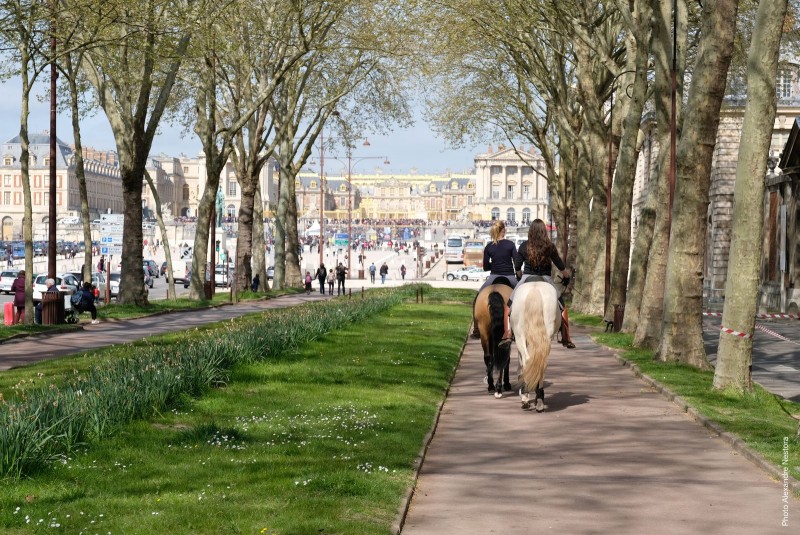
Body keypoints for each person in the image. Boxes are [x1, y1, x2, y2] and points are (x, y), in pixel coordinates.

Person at [500, 219, 574, 349]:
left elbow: (517, 265)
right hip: (546, 279)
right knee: (562, 306)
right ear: (543, 231)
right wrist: (566, 276)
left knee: (509, 305)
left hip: (527, 277)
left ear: (531, 231)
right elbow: (560, 266)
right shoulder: (549, 246)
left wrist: (518, 274)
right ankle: (566, 336)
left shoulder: (524, 246)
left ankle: (507, 333)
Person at [472, 220, 520, 337]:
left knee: (477, 298)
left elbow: (485, 267)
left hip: (493, 277)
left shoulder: (489, 247)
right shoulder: (510, 244)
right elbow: (517, 262)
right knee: (521, 296)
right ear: (503, 230)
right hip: (509, 276)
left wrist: (493, 265)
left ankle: (476, 329)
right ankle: (519, 327)